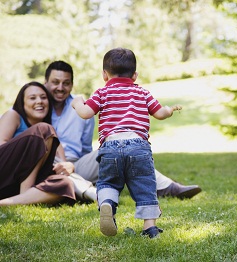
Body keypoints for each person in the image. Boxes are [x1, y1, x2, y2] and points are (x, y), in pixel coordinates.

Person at [44, 61, 201, 202]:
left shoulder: (81, 107)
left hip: (76, 164)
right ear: (46, 83)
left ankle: (167, 186)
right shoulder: (39, 106)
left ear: (72, 84)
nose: (60, 88)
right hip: (49, 165)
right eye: (55, 82)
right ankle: (87, 190)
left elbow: (85, 147)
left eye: (66, 83)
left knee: (118, 148)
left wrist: (74, 166)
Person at [72, 47, 182, 238]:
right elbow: (160, 114)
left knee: (108, 182)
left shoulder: (102, 93)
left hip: (110, 146)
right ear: (135, 75)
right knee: (145, 184)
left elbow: (85, 113)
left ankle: (106, 204)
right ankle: (150, 227)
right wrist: (169, 109)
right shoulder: (142, 93)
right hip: (138, 145)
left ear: (104, 74)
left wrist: (77, 103)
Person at [0, 81, 76, 206]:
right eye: (32, 98)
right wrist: (28, 151)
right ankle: (27, 191)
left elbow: (63, 163)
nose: (39, 101)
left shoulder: (49, 132)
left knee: (65, 183)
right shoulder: (13, 115)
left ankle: (7, 202)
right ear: (22, 103)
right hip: (5, 172)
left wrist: (69, 166)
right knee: (44, 129)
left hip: (12, 186)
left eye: (43, 97)